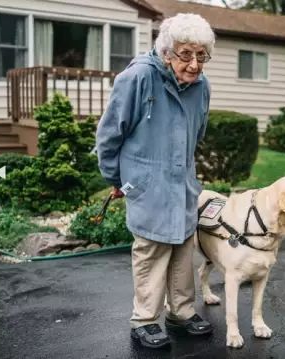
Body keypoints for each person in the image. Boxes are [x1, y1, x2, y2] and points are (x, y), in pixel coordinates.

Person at [95, 13, 215, 349]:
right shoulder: (138, 78)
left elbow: (198, 133)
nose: (194, 64)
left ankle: (181, 312)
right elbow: (109, 136)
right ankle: (145, 320)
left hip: (182, 181)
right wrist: (118, 179)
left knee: (182, 248)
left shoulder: (202, 86)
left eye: (201, 55)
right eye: (185, 54)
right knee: (150, 250)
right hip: (146, 182)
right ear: (166, 52)